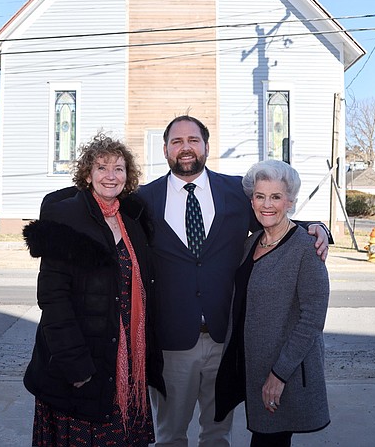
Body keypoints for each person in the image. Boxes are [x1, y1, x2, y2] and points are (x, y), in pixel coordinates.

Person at [137, 115, 330, 447]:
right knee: (169, 435)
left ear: (206, 147)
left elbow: (273, 212)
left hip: (224, 343)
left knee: (217, 435)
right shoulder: (143, 200)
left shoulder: (236, 192)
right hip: (171, 344)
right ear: (165, 149)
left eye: (193, 140)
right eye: (177, 141)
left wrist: (317, 227)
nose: (186, 148)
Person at [22, 133, 166, 447]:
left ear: (128, 176)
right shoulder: (66, 217)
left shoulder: (133, 221)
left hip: (126, 363)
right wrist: (75, 365)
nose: (111, 175)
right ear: (88, 174)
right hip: (83, 364)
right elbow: (53, 298)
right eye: (102, 167)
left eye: (119, 168)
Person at [215, 159, 331, 447]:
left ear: (290, 201)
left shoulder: (306, 247)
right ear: (252, 201)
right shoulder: (252, 242)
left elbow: (312, 319)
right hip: (254, 368)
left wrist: (278, 375)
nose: (267, 204)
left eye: (276, 197)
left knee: (269, 441)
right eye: (260, 196)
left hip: (284, 373)